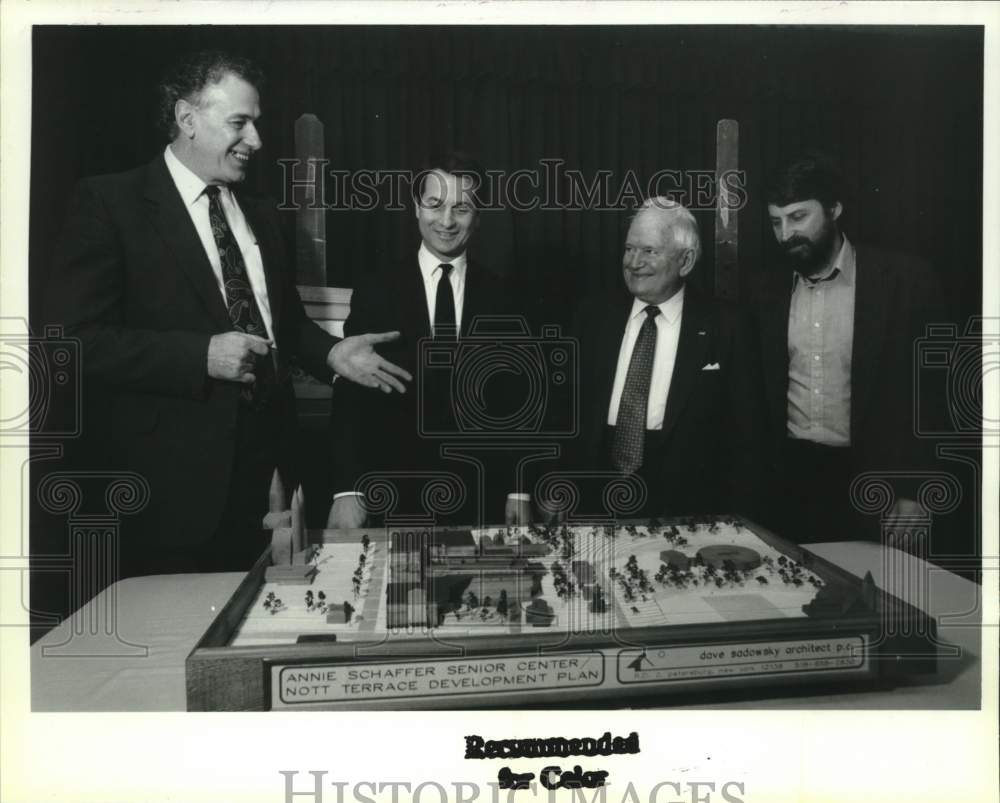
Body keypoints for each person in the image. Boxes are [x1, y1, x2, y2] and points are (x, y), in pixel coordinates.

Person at [45, 51, 411, 574]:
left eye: (256, 123)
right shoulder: (110, 203)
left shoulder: (262, 214)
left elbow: (281, 325)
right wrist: (200, 356)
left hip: (270, 484)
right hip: (169, 498)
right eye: (240, 123)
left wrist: (332, 354)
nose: (256, 140)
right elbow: (70, 341)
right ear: (187, 118)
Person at [749, 151, 943, 549]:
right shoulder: (763, 289)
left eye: (798, 217)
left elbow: (935, 395)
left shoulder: (905, 281)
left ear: (834, 209)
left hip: (878, 485)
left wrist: (918, 487)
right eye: (775, 221)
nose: (785, 234)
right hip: (789, 484)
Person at [532, 198, 762, 520]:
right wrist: (551, 481)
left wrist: (738, 522)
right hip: (591, 497)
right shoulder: (593, 316)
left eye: (649, 251)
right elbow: (561, 409)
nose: (634, 262)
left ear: (685, 261)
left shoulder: (727, 327)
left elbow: (747, 438)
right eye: (629, 249)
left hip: (686, 509)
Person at [326, 152, 523, 529]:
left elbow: (517, 400)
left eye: (461, 208)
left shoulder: (505, 297)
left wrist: (519, 490)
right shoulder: (376, 289)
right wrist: (347, 489)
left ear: (478, 216)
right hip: (392, 493)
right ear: (417, 207)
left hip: (482, 496)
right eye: (435, 204)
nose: (446, 221)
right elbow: (351, 393)